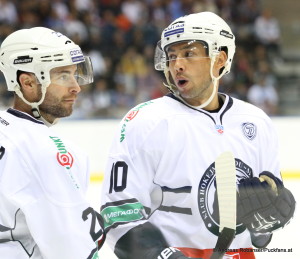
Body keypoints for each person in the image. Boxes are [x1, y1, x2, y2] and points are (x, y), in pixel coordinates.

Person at [100, 12, 295, 259]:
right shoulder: (146, 121)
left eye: (188, 54)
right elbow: (118, 215)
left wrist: (265, 225)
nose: (177, 65)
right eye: (172, 56)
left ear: (219, 59)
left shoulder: (256, 122)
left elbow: (261, 229)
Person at [0, 27, 105, 258]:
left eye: (75, 74)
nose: (76, 87)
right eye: (62, 75)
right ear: (28, 83)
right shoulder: (48, 151)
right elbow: (71, 247)